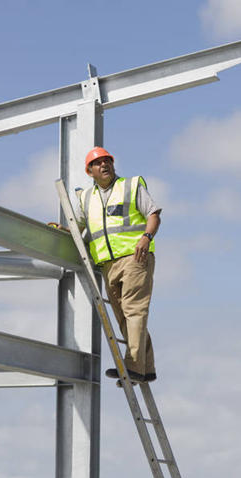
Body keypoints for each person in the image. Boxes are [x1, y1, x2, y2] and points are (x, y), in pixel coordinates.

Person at [76, 146, 161, 384]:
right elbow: (79, 227)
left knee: (134, 311)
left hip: (135, 258)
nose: (104, 164)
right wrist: (61, 231)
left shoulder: (130, 186)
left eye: (107, 161)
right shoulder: (86, 198)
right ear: (90, 171)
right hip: (107, 264)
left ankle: (132, 366)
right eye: (98, 162)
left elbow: (153, 214)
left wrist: (146, 237)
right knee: (124, 317)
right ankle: (147, 368)